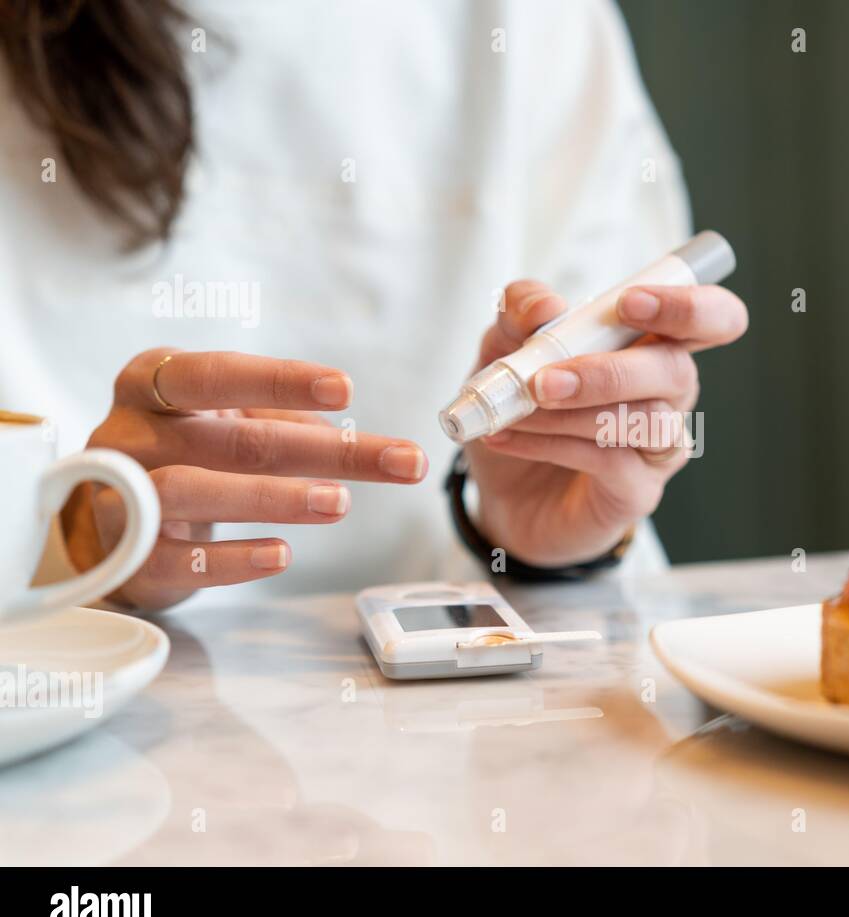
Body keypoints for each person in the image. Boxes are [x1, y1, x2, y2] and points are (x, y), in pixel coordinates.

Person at [0, 0, 747, 610]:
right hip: (72, 715)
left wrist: (535, 543)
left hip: (468, 724)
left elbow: (602, 550)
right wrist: (88, 543)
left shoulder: (533, 26)